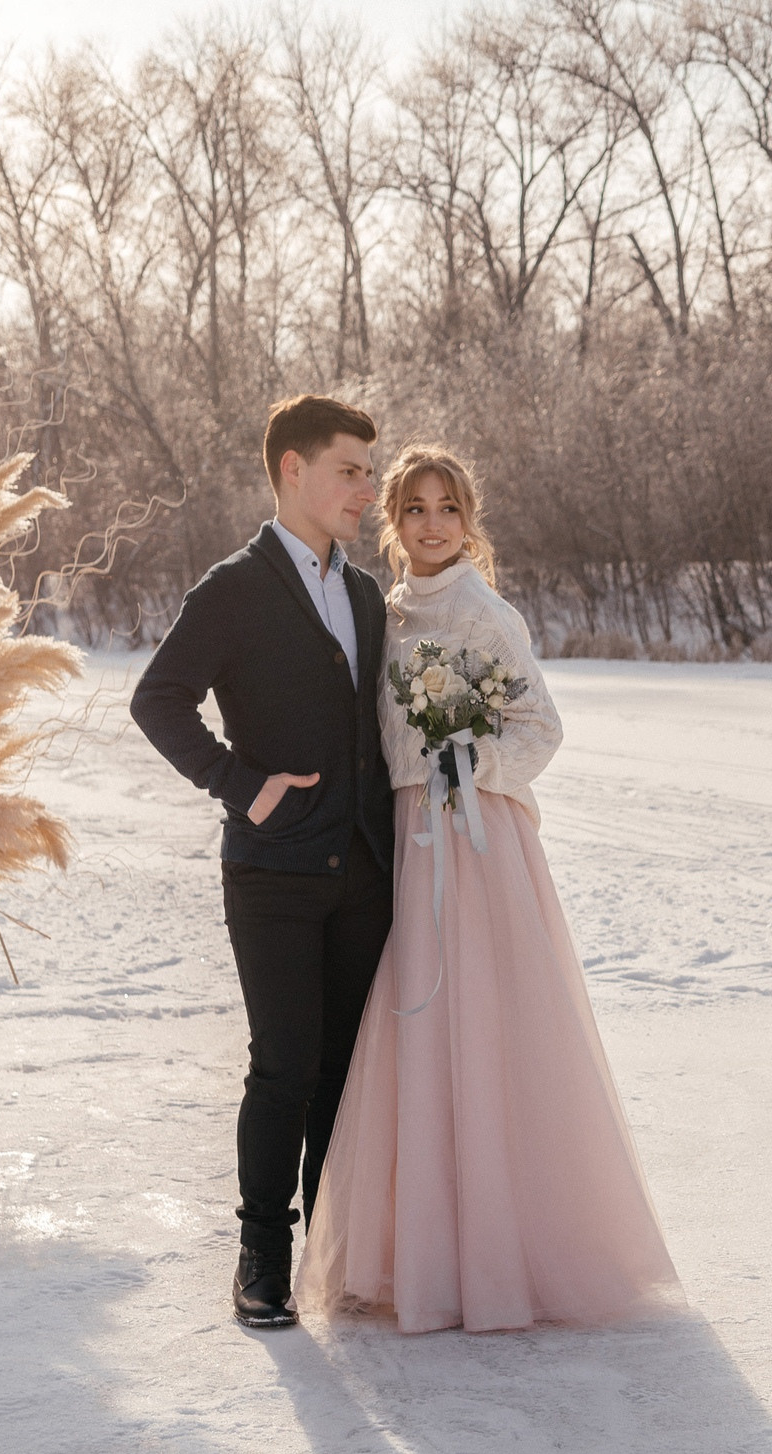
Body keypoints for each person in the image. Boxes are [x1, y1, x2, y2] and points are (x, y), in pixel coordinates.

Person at [298, 445, 680, 1333]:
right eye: (417, 509)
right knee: (415, 1027)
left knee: (481, 1022)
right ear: (392, 521)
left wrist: (467, 761)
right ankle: (413, 1252)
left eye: (449, 509)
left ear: (470, 522)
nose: (434, 524)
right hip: (405, 836)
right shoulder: (382, 612)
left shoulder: (485, 612)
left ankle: (506, 1253)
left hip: (475, 840)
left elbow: (542, 725)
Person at [130, 395, 395, 1329]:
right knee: (283, 1065)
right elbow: (156, 699)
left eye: (371, 470)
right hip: (274, 874)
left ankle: (332, 1249)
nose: (368, 487)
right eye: (350, 469)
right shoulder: (233, 587)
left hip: (365, 873)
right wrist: (242, 785)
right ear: (292, 469)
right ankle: (263, 1259)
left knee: (344, 1070)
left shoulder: (366, 595)